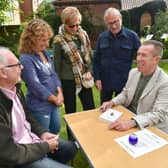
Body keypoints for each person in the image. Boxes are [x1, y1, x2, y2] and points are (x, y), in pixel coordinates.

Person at [0, 46, 77, 168]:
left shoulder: (15, 89)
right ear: (3, 72)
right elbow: (9, 153)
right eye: (17, 65)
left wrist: (42, 133)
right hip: (18, 157)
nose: (22, 67)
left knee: (70, 148)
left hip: (32, 142)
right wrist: (45, 147)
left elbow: (28, 117)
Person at [100, 40, 168, 133]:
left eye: (143, 55)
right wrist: (112, 102)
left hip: (149, 127)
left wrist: (132, 122)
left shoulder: (165, 82)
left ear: (156, 59)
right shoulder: (133, 72)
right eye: (138, 54)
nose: (138, 59)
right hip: (128, 116)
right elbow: (125, 93)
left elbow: (159, 114)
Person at [53, 7, 95, 137]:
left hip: (84, 78)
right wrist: (58, 87)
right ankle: (73, 140)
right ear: (65, 24)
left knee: (90, 108)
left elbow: (88, 56)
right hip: (68, 81)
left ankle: (93, 134)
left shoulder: (83, 35)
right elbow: (57, 66)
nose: (76, 28)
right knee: (71, 112)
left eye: (78, 24)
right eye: (72, 26)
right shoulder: (58, 41)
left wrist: (89, 71)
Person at [19, 19, 63, 134]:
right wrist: (55, 99)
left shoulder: (44, 53)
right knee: (42, 138)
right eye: (43, 40)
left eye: (47, 40)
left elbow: (53, 74)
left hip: (53, 103)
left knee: (55, 130)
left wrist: (60, 92)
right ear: (32, 39)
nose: (47, 44)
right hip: (39, 107)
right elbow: (35, 85)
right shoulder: (26, 59)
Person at [93, 7, 141, 104]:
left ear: (121, 18)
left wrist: (137, 77)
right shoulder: (102, 38)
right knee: (105, 110)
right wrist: (97, 78)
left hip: (124, 82)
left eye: (116, 22)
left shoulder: (132, 37)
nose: (114, 26)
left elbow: (142, 57)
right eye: (110, 23)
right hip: (105, 82)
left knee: (122, 111)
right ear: (106, 23)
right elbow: (96, 59)